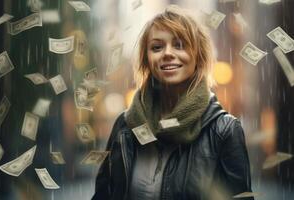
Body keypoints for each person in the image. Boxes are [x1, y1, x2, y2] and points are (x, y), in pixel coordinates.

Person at [92, 5, 253, 200]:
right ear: (147, 59)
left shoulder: (224, 130)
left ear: (198, 56)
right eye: (157, 47)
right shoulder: (124, 126)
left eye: (179, 44)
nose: (167, 53)